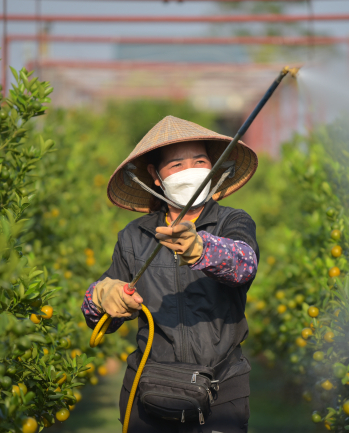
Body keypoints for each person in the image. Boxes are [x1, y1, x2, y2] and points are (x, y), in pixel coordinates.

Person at [81, 116, 260, 432]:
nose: (189, 171)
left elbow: (244, 264)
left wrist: (202, 249)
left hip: (221, 390)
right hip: (151, 389)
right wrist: (99, 297)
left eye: (199, 161)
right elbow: (101, 322)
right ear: (155, 175)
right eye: (176, 165)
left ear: (213, 168)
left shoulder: (233, 222)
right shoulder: (135, 237)